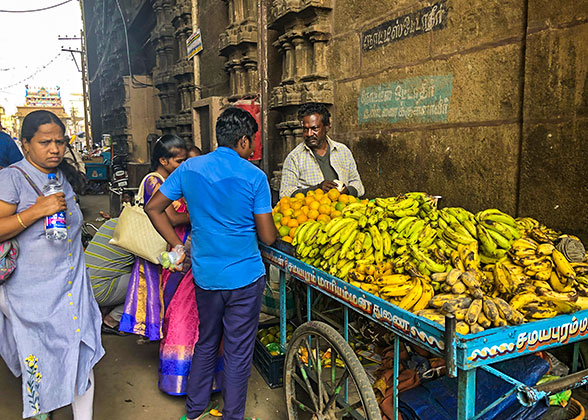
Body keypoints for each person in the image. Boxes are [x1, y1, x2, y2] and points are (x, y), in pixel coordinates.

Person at [145, 107, 277, 420]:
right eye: (252, 142)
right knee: (237, 351)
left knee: (206, 341)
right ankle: (232, 415)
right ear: (244, 141)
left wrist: (179, 245)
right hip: (245, 278)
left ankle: (194, 410)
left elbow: (153, 208)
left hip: (205, 275)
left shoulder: (190, 169)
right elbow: (268, 237)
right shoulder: (254, 176)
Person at [0, 110, 104, 419]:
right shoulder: (12, 177)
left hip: (71, 287)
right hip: (32, 293)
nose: (55, 149)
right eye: (45, 142)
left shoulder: (60, 177)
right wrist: (35, 212)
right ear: (25, 144)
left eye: (60, 141)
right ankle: (39, 411)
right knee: (41, 357)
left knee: (82, 350)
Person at [119, 134, 189, 340]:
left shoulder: (170, 180)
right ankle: (162, 336)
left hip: (168, 246)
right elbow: (173, 218)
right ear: (163, 160)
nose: (183, 165)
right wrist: (198, 214)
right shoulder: (153, 181)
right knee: (158, 292)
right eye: (179, 161)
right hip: (158, 246)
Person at [158, 143, 201, 395]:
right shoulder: (174, 187)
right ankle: (177, 380)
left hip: (200, 258)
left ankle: (202, 378)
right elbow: (171, 218)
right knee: (178, 316)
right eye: (184, 161)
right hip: (179, 256)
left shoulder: (199, 186)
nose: (189, 167)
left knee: (198, 321)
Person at [279, 102, 365, 198]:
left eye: (314, 128)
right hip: (312, 212)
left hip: (344, 210)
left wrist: (348, 191)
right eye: (305, 129)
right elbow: (284, 194)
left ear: (327, 127)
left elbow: (358, 185)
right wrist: (316, 189)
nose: (309, 134)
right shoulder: (294, 158)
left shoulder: (343, 151)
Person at [85, 217, 135, 334]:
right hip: (100, 291)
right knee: (150, 283)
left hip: (83, 287)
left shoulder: (111, 222)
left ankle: (104, 311)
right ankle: (112, 320)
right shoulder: (137, 231)